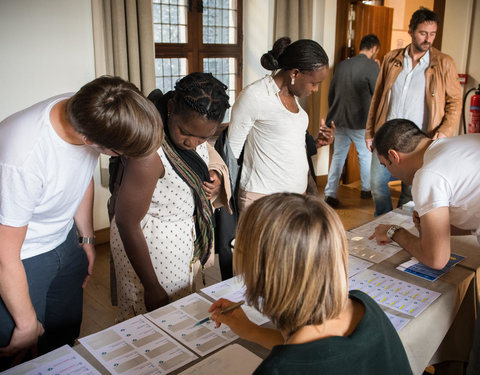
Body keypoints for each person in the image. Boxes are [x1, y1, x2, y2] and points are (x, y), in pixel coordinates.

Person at [0, 76, 163, 369]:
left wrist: (86, 237)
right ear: (90, 140)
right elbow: (4, 254)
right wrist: (25, 324)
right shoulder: (21, 158)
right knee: (21, 351)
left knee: (63, 338)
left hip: (64, 239)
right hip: (19, 257)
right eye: (119, 153)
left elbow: (79, 175)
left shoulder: (91, 109)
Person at [208, 193, 412, 375]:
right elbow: (315, 352)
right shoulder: (363, 305)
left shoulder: (277, 370)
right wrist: (252, 331)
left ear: (263, 275)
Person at [110, 72, 231, 322]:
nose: (193, 142)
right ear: (172, 107)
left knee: (179, 318)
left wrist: (213, 175)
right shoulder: (149, 152)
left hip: (179, 239)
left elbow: (199, 156)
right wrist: (152, 286)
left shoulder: (188, 131)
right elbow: (126, 222)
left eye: (204, 136)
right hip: (150, 245)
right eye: (186, 132)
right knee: (151, 325)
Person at [365, 7, 462, 216]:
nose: (428, 39)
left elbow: (455, 102)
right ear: (411, 31)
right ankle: (382, 221)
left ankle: (402, 226)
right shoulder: (392, 59)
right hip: (386, 135)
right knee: (377, 185)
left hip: (417, 141)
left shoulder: (444, 63)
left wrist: (444, 131)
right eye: (423, 33)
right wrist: (369, 132)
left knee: (411, 192)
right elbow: (378, 98)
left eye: (433, 34)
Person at [227, 37, 335, 212]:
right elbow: (231, 152)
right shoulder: (255, 96)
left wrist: (316, 143)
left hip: (298, 198)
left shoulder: (293, 98)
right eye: (314, 83)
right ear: (295, 73)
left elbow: (285, 144)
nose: (315, 90)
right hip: (263, 200)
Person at [369, 119, 480, 269]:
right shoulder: (459, 143)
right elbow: (475, 217)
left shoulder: (428, 175)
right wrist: (437, 225)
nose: (388, 172)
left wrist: (393, 232)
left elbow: (436, 259)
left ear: (394, 156)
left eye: (384, 165)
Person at [324, 34, 380, 208]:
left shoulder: (343, 65)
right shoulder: (371, 66)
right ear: (374, 49)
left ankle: (330, 193)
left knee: (338, 156)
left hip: (340, 119)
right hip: (361, 120)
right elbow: (377, 94)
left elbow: (331, 92)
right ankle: (366, 190)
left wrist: (332, 115)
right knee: (365, 155)